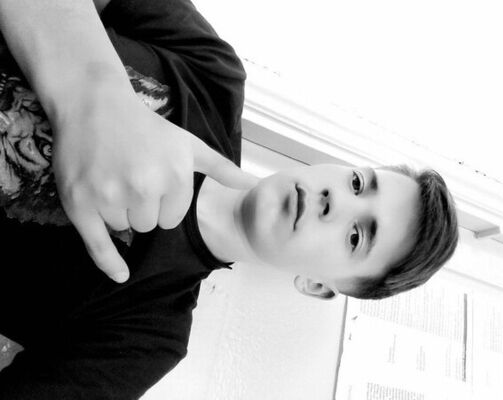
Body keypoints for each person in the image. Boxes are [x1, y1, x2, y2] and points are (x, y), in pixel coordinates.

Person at [0, 0, 459, 399]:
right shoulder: (214, 77)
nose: (333, 202)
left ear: (317, 285)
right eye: (358, 183)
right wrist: (86, 92)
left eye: (356, 236)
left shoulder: (148, 336)